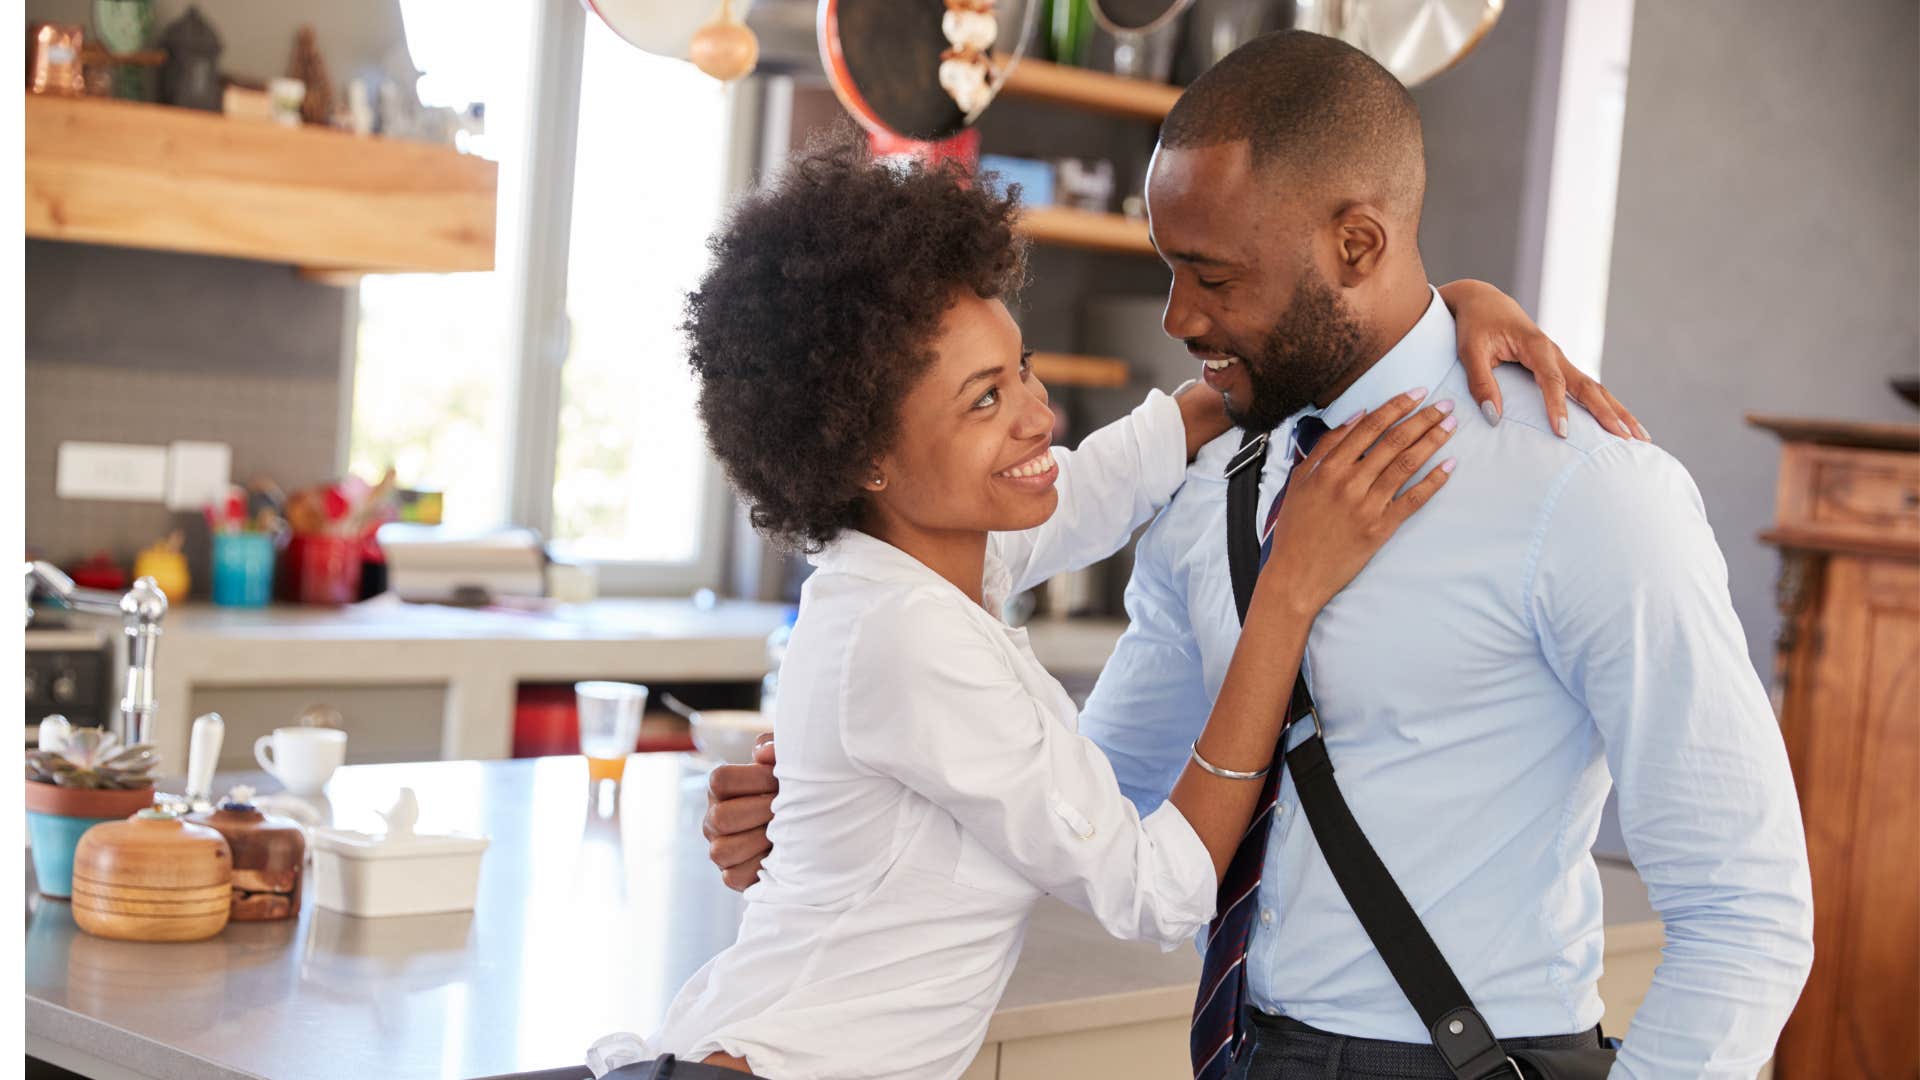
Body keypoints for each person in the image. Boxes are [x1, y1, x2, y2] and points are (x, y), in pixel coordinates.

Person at [705, 31, 1815, 1080]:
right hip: (1243, 1048)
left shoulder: (1586, 492)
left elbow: (1748, 912)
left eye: (1214, 275)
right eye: (1168, 266)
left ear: (1358, 245)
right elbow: (1095, 800)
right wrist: (848, 806)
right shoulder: (1216, 484)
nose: (1179, 315)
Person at [594, 121, 1615, 1080]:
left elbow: (1104, 480)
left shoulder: (927, 563)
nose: (1038, 416)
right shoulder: (909, 633)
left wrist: (1429, 318)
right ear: (865, 455)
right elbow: (1158, 890)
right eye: (984, 400)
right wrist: (1288, 595)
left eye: (1022, 369)